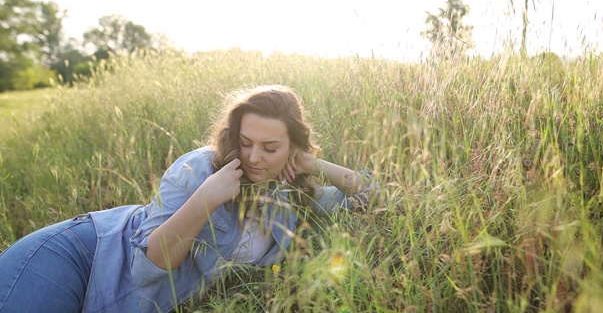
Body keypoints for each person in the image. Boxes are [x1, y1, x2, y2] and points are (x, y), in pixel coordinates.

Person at [0, 85, 375, 313]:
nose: (255, 157)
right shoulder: (200, 169)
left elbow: (368, 196)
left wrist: (313, 162)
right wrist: (205, 200)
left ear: (291, 145)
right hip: (81, 255)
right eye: (245, 144)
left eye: (271, 147)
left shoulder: (292, 194)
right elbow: (147, 268)